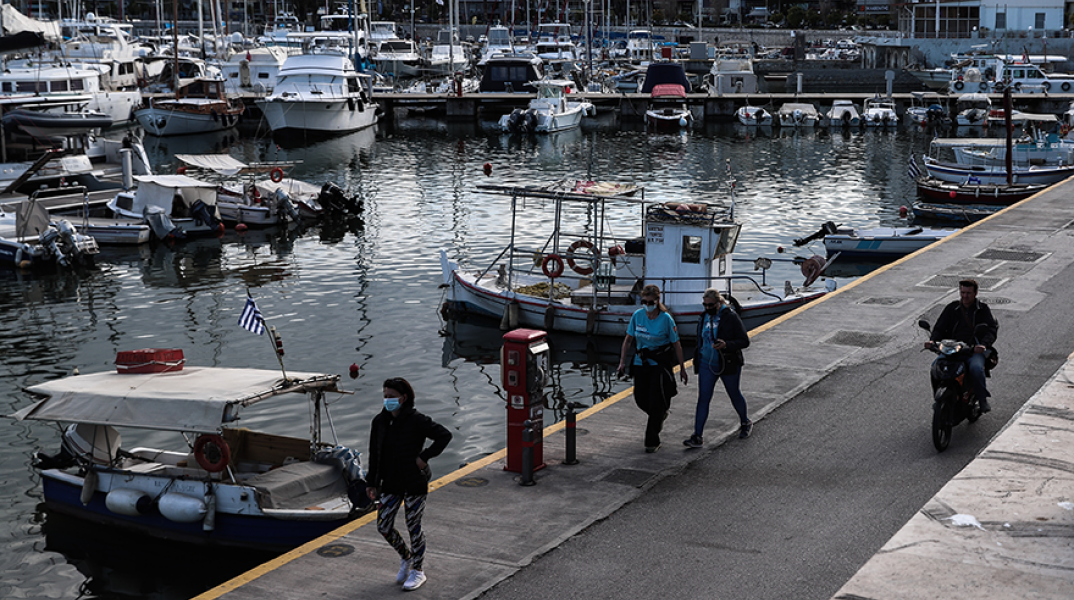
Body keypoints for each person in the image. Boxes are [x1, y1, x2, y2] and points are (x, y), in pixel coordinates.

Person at [366, 377, 452, 591]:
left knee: (414, 526)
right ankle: (406, 557)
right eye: (385, 396)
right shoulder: (379, 422)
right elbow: (374, 454)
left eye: (392, 397)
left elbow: (444, 435)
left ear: (404, 398)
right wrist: (372, 483)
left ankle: (418, 570)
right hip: (390, 483)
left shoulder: (417, 420)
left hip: (414, 482)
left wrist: (424, 457)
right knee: (383, 526)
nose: (387, 401)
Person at [617, 285, 688, 453]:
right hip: (640, 363)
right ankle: (660, 415)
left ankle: (651, 441)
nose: (647, 305)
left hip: (659, 364)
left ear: (657, 301)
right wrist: (622, 362)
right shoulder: (638, 316)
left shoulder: (666, 319)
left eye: (650, 302)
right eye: (644, 302)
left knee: (656, 400)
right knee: (641, 398)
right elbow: (628, 340)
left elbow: (676, 344)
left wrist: (683, 368)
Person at [684, 289, 752, 448]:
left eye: (711, 305)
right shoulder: (703, 317)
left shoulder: (731, 317)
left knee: (734, 394)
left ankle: (745, 421)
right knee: (703, 399)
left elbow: (744, 341)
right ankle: (697, 436)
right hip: (707, 363)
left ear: (719, 302)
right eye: (705, 305)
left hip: (727, 362)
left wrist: (727, 345)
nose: (707, 308)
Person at [924, 278, 998, 413]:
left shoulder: (983, 309)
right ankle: (938, 399)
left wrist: (983, 345)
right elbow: (940, 327)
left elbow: (991, 329)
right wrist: (933, 341)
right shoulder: (952, 308)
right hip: (951, 349)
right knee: (935, 368)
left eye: (968, 293)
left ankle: (982, 399)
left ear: (975, 293)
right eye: (962, 292)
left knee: (976, 368)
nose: (965, 296)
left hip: (972, 350)